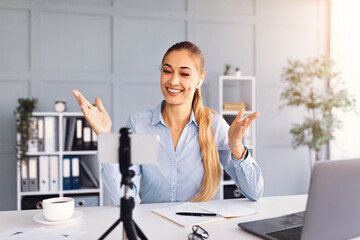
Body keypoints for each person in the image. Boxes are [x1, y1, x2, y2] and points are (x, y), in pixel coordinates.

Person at [72, 41, 264, 204]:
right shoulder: (139, 125)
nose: (173, 81)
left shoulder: (214, 125)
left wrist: (237, 149)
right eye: (167, 71)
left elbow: (254, 193)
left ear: (200, 79)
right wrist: (105, 138)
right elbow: (126, 197)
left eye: (184, 74)